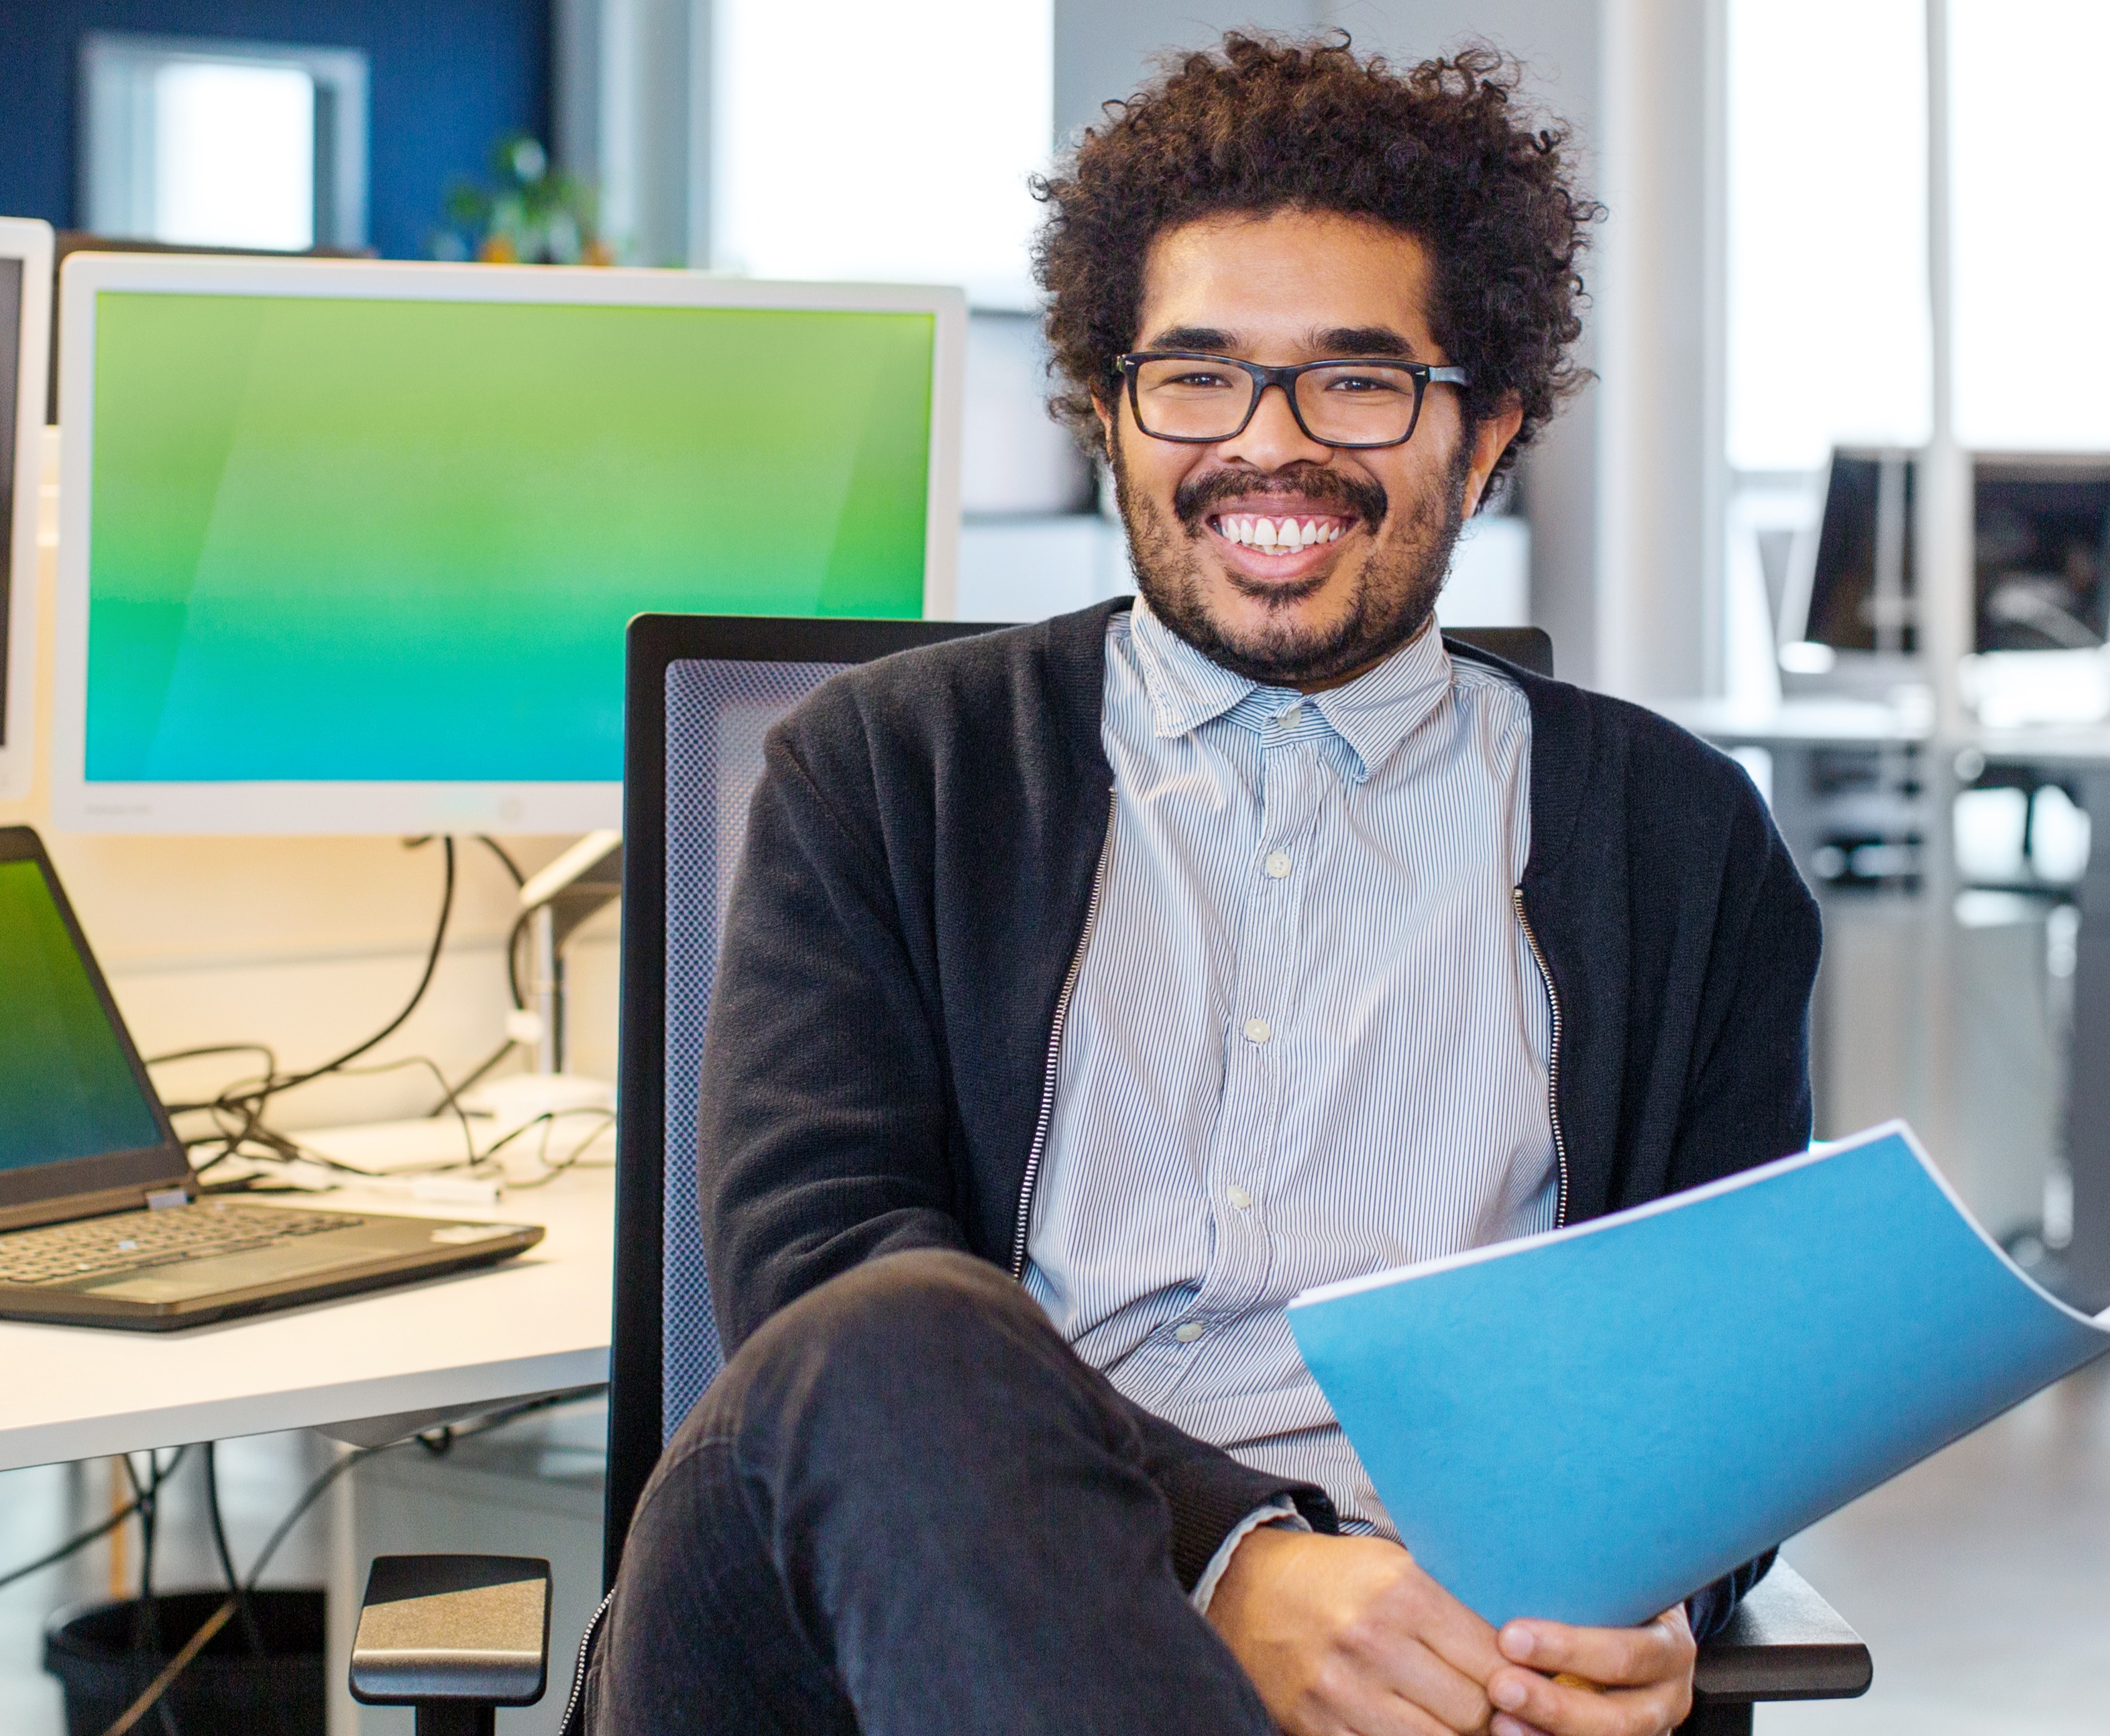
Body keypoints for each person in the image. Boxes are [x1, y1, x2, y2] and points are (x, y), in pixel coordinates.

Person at [578, 33, 1822, 1736]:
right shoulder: (882, 768)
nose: (1270, 446)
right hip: (896, 1616)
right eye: (1197, 376)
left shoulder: (1678, 843)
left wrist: (1651, 1591)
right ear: (1107, 411)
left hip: (1436, 1659)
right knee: (897, 1330)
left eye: (1356, 381)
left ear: (1487, 433)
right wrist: (1231, 1561)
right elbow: (810, 1268)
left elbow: (1710, 1378)